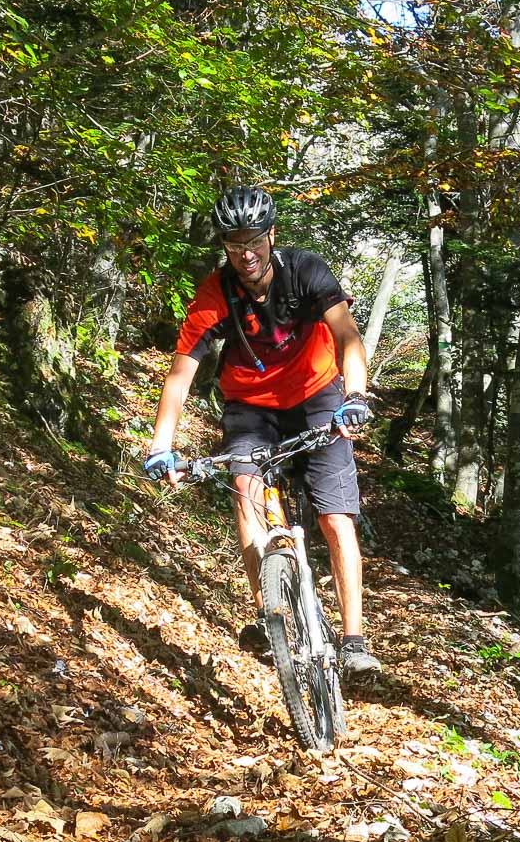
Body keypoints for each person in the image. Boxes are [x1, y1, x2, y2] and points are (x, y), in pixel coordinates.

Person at [144, 185, 382, 674]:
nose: (245, 253)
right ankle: (264, 610)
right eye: (234, 244)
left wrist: (355, 397)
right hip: (250, 406)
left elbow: (347, 335)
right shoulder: (217, 293)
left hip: (319, 396)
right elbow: (182, 371)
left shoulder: (306, 270)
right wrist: (161, 444)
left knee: (336, 519)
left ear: (272, 235)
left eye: (254, 240)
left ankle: (354, 640)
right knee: (244, 487)